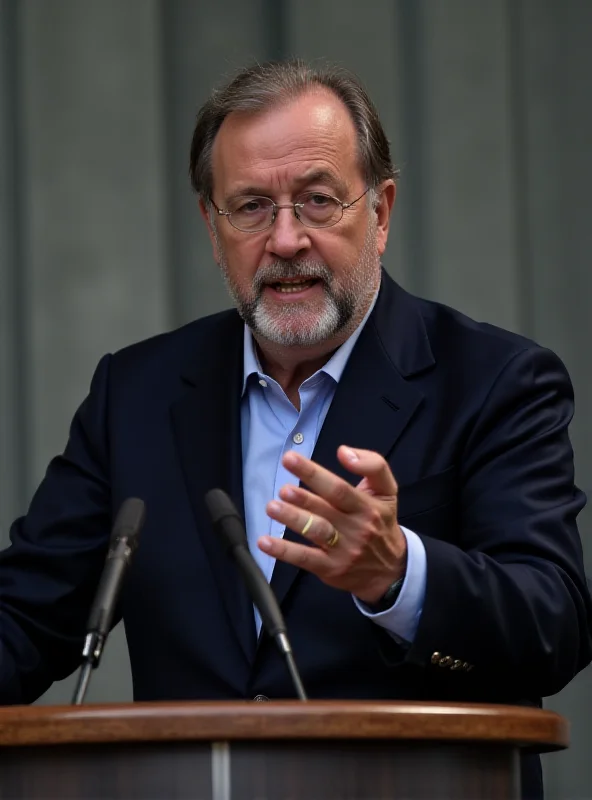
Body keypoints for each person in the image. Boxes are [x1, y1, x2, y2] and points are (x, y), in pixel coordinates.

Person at [0, 60, 590, 798]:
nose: (285, 239)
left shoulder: (495, 381)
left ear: (380, 212)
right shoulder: (139, 393)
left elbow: (553, 625)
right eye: (250, 207)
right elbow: (24, 618)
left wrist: (398, 575)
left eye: (317, 201)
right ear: (211, 230)